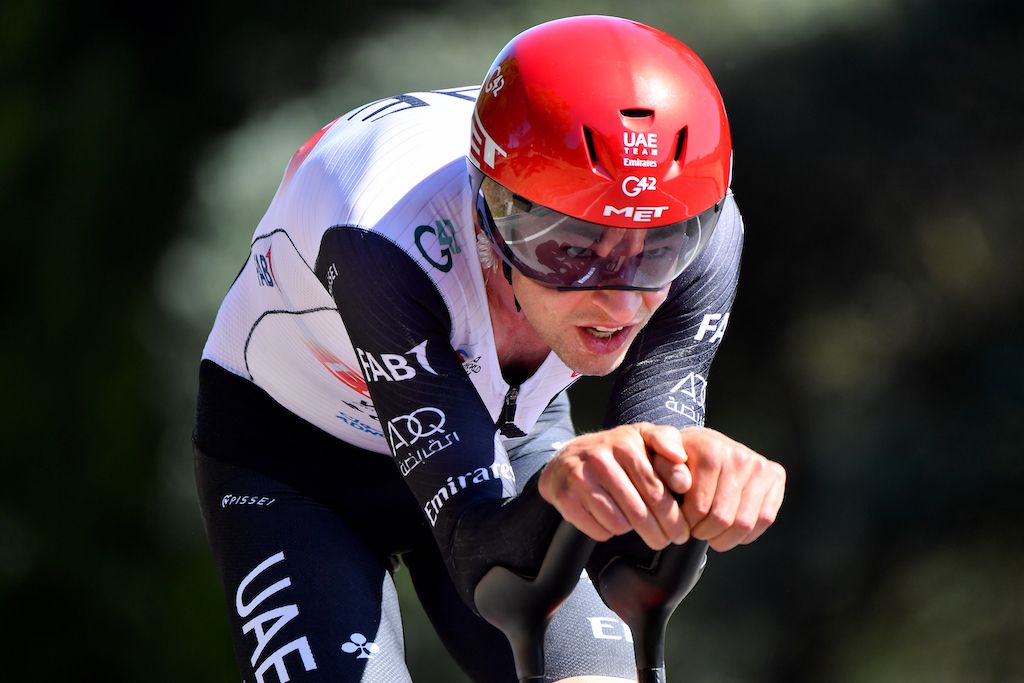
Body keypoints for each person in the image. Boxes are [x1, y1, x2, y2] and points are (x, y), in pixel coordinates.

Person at [193, 14, 786, 683]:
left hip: (509, 440)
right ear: (488, 212)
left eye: (658, 253)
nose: (620, 302)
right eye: (568, 251)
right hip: (294, 467)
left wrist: (699, 478)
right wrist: (566, 492)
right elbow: (480, 550)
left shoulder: (704, 229)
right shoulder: (383, 237)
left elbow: (638, 541)